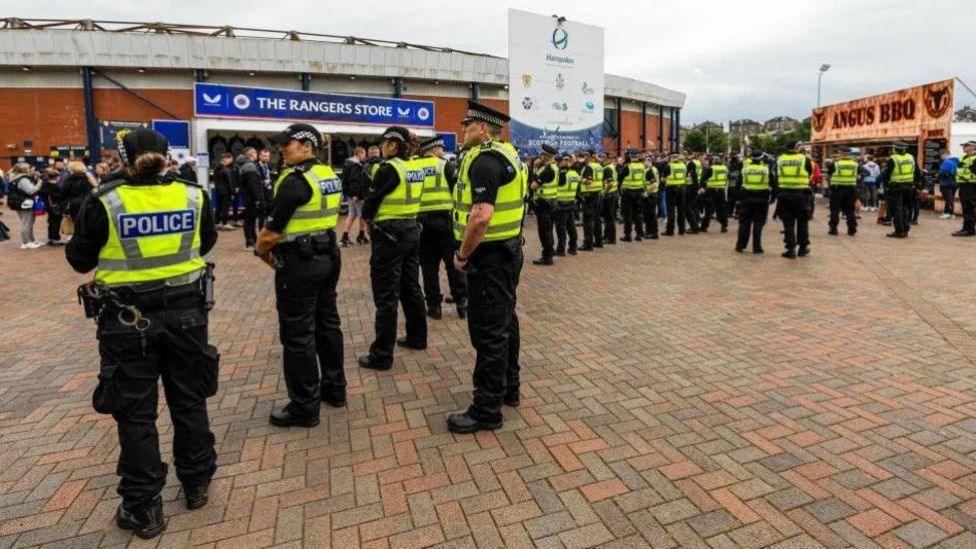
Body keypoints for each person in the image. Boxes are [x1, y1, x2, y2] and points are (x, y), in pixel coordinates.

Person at [65, 128, 219, 539]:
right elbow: (205, 245)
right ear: (166, 156)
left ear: (122, 158)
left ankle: (144, 507)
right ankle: (196, 483)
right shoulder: (192, 195)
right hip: (187, 315)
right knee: (190, 400)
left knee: (136, 414)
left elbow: (79, 261)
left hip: (128, 322)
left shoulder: (105, 201)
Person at [254, 123, 346, 427]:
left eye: (288, 144)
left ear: (307, 146)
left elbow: (268, 235)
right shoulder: (328, 174)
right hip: (328, 256)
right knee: (327, 324)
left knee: (298, 335)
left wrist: (262, 252)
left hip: (300, 264)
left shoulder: (294, 181)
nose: (282, 148)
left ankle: (304, 406)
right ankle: (335, 389)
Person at [447, 101, 527, 434]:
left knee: (489, 332)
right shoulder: (510, 154)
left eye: (466, 126)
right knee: (505, 321)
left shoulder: (484, 161)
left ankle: (486, 409)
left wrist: (463, 255)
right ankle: (509, 387)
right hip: (508, 251)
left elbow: (480, 217)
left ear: (482, 129)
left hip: (489, 257)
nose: (462, 132)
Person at [358, 126, 427, 371]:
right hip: (410, 229)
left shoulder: (389, 168)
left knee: (386, 294)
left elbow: (371, 202)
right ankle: (418, 337)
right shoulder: (414, 167)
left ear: (393, 145)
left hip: (389, 234)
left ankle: (382, 355)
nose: (381, 146)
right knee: (411, 287)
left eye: (384, 143)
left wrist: (366, 222)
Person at [416, 135, 467, 317]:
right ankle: (461, 303)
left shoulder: (414, 167)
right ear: (435, 150)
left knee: (429, 267)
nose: (442, 152)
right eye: (441, 149)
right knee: (452, 264)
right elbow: (457, 190)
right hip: (446, 222)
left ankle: (434, 307)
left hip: (421, 224)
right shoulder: (445, 165)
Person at [776, 141, 814, 257]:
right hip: (801, 194)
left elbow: (776, 174)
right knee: (802, 222)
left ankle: (790, 249)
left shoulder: (780, 159)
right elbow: (810, 174)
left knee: (788, 223)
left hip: (784, 193)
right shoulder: (804, 159)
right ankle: (803, 248)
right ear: (797, 148)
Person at [736, 149, 774, 253]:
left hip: (746, 198)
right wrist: (773, 198)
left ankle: (740, 245)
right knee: (758, 224)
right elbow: (773, 184)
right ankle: (757, 247)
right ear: (762, 158)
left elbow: (738, 184)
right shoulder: (766, 169)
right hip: (762, 199)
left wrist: (738, 199)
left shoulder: (745, 169)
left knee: (744, 223)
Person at [883, 142, 921, 238]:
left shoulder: (893, 159)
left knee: (897, 209)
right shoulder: (911, 157)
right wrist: (915, 184)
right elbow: (917, 172)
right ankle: (905, 229)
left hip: (896, 187)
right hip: (909, 186)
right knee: (905, 208)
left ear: (895, 149)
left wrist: (886, 186)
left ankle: (899, 231)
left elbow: (886, 174)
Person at [531, 144, 559, 264]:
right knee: (548, 230)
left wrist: (534, 170)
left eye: (542, 155)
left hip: (544, 203)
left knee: (544, 231)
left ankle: (547, 256)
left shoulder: (548, 170)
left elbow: (533, 185)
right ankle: (549, 252)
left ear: (548, 156)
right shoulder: (554, 167)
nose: (540, 157)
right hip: (551, 202)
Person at [6, 163, 43, 249]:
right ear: (24, 170)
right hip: (24, 203)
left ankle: (32, 240)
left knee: (28, 222)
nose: (30, 169)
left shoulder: (15, 177)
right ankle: (26, 242)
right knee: (27, 223)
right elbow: (31, 191)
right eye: (28, 168)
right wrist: (39, 183)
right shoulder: (23, 179)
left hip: (20, 202)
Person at [339, 147, 370, 246]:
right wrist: (355, 195)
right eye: (364, 154)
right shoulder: (355, 165)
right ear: (359, 153)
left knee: (351, 215)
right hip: (356, 195)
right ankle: (361, 236)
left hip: (350, 194)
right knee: (362, 216)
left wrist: (349, 194)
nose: (365, 156)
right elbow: (355, 181)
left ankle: (345, 236)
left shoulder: (347, 163)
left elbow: (346, 181)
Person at [236, 147, 264, 250]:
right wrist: (258, 199)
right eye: (255, 152)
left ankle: (252, 241)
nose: (257, 154)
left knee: (250, 221)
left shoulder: (247, 166)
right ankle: (250, 242)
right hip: (251, 199)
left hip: (248, 198)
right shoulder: (249, 166)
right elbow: (253, 185)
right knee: (249, 221)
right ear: (251, 154)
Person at [827, 148, 859, 236]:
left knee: (834, 210)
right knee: (850, 210)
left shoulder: (835, 164)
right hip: (851, 190)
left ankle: (833, 229)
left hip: (837, 190)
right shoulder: (856, 164)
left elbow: (829, 176)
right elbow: (861, 175)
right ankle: (852, 229)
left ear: (840, 154)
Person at [618, 150, 646, 242]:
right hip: (639, 191)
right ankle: (639, 234)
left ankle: (628, 235)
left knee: (628, 215)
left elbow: (620, 177)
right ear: (637, 156)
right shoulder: (642, 166)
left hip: (628, 192)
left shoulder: (627, 167)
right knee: (638, 214)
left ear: (629, 156)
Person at [554, 153, 579, 255]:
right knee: (571, 227)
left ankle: (561, 249)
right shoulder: (575, 174)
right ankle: (573, 248)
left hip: (560, 204)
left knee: (561, 228)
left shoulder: (561, 174)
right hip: (571, 203)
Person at [579, 150, 603, 250]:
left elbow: (589, 181)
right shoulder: (599, 166)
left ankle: (588, 244)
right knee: (597, 219)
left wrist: (579, 179)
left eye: (586, 155)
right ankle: (598, 241)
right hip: (597, 194)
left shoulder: (589, 167)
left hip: (589, 196)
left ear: (591, 156)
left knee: (588, 220)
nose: (584, 157)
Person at [661, 152, 690, 235]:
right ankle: (682, 230)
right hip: (682, 188)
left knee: (671, 210)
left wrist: (667, 180)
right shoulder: (683, 166)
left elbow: (663, 179)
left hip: (671, 189)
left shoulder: (669, 166)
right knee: (681, 210)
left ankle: (670, 230)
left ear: (672, 158)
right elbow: (687, 178)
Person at [699, 155, 729, 233]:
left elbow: (703, 179)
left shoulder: (711, 168)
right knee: (721, 209)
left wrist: (702, 187)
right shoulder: (725, 168)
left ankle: (704, 227)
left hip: (711, 191)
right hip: (721, 190)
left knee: (708, 210)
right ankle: (724, 225)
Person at [953, 140, 976, 236]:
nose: (964, 147)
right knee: (966, 208)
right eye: (963, 146)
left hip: (971, 185)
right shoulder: (962, 157)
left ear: (973, 147)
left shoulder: (975, 158)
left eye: (966, 146)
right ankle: (966, 228)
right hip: (963, 185)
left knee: (969, 208)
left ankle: (969, 230)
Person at [42, 169, 67, 245]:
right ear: (57, 177)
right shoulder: (55, 187)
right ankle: (55, 238)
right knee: (56, 223)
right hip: (55, 207)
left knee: (51, 222)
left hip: (48, 206)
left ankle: (51, 238)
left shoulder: (45, 185)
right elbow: (59, 197)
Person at [212, 153, 235, 230]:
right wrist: (232, 192)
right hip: (226, 191)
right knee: (225, 208)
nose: (230, 161)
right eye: (228, 159)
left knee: (218, 207)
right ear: (224, 159)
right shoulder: (226, 170)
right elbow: (230, 182)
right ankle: (224, 223)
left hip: (218, 191)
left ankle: (217, 222)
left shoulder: (216, 169)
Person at [600, 154, 619, 244]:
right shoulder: (612, 167)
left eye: (603, 157)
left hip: (609, 195)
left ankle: (608, 237)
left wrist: (604, 191)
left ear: (607, 158)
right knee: (610, 217)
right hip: (613, 193)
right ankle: (612, 238)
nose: (601, 159)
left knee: (608, 217)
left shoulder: (607, 169)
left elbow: (610, 183)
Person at [641, 155, 661, 239]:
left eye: (646, 161)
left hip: (650, 195)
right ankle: (649, 231)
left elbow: (654, 184)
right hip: (653, 194)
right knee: (648, 214)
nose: (644, 162)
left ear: (649, 162)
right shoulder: (654, 169)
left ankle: (653, 233)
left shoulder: (650, 170)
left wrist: (647, 193)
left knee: (650, 215)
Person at [937, 149, 958, 220]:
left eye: (941, 155)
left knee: (949, 199)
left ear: (945, 154)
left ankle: (951, 214)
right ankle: (946, 212)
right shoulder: (955, 161)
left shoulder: (946, 162)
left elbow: (943, 173)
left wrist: (938, 175)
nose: (940, 157)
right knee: (949, 199)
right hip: (954, 183)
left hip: (947, 183)